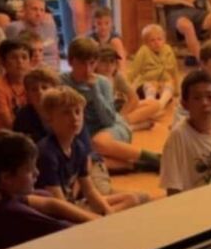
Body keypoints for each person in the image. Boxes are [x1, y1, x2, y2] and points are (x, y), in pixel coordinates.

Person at [36, 87, 148, 215]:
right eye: (66, 113)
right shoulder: (47, 153)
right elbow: (59, 206)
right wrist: (94, 218)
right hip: (55, 214)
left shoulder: (79, 147)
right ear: (49, 119)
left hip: (72, 205)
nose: (74, 118)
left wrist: (108, 213)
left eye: (78, 112)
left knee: (132, 198)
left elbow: (89, 190)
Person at [62, 37, 159, 172]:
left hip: (110, 128)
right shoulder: (61, 81)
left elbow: (108, 120)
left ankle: (155, 159)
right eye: (82, 64)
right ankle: (138, 166)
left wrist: (95, 91)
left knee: (98, 142)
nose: (88, 70)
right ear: (70, 62)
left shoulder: (103, 82)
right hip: (84, 134)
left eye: (91, 63)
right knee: (82, 158)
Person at [160, 70, 211, 195]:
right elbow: (172, 188)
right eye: (197, 98)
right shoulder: (178, 137)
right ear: (184, 104)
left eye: (209, 97)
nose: (205, 103)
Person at [95, 45, 161, 128]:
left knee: (154, 104)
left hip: (117, 108)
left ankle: (123, 124)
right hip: (103, 113)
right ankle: (132, 126)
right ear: (96, 63)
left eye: (112, 62)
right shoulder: (93, 78)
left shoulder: (116, 76)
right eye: (104, 62)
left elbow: (134, 98)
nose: (109, 66)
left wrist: (121, 115)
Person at [5, 0, 60, 69]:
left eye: (42, 10)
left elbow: (56, 54)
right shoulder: (15, 28)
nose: (39, 14)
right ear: (24, 9)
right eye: (34, 9)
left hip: (53, 70)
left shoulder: (50, 26)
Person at [127, 23, 177, 110]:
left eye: (159, 39)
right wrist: (126, 88)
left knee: (169, 85)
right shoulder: (143, 51)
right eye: (152, 40)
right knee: (150, 87)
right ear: (146, 43)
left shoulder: (168, 50)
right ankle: (150, 104)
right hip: (146, 84)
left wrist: (177, 89)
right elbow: (133, 71)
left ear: (164, 40)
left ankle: (161, 104)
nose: (156, 43)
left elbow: (174, 70)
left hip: (163, 84)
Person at [0, 39, 30, 131]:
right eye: (13, 57)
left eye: (24, 57)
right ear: (2, 62)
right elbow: (9, 124)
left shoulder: (34, 83)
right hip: (6, 135)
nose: (20, 62)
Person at [14, 67, 61, 143]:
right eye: (34, 89)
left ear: (55, 90)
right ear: (28, 94)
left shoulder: (64, 110)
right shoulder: (22, 116)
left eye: (44, 87)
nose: (40, 92)